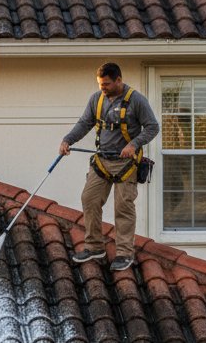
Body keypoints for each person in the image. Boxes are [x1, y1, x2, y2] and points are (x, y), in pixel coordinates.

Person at [59, 62, 159, 271]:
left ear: (118, 80)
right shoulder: (96, 99)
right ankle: (95, 246)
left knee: (123, 207)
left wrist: (133, 144)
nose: (102, 88)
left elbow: (152, 127)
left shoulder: (136, 100)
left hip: (126, 165)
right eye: (100, 84)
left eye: (106, 84)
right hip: (102, 161)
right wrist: (68, 140)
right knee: (90, 199)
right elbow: (85, 123)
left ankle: (124, 253)